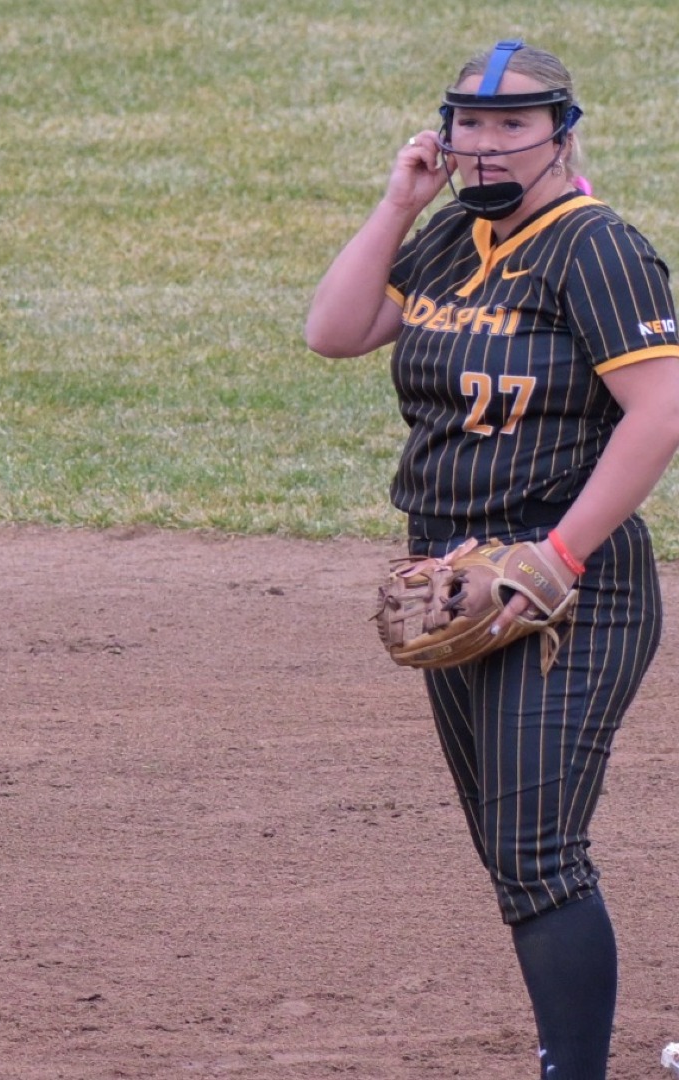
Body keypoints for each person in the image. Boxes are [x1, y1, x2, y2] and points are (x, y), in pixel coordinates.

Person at [306, 40, 679, 1078]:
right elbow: (334, 330)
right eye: (468, 123)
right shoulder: (448, 236)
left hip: (574, 591)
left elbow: (660, 414)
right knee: (517, 860)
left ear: (564, 134)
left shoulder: (599, 250)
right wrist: (396, 204)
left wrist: (556, 560)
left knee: (536, 852)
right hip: (458, 587)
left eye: (513, 124)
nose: (485, 143)